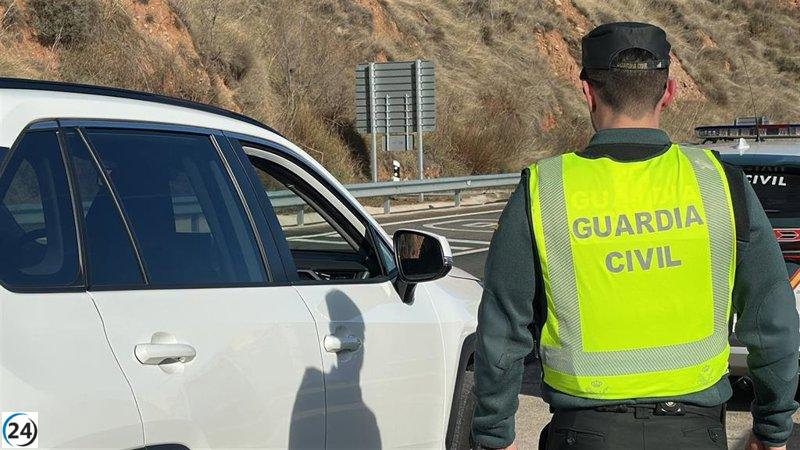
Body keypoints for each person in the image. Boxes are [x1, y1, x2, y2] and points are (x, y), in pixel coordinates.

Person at [471, 22, 800, 450]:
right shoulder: (720, 183)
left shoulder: (543, 189)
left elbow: (502, 328)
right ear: (670, 92)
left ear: (587, 93)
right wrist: (773, 426)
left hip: (584, 434)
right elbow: (771, 317)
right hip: (695, 434)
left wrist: (494, 433)